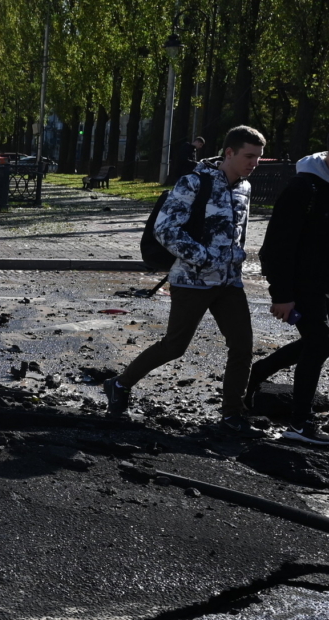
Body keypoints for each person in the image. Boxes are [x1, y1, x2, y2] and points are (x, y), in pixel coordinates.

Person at [104, 126, 265, 435]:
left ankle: (232, 415)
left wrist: (235, 261)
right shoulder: (194, 182)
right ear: (229, 152)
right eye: (248, 156)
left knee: (243, 346)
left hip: (229, 282)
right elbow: (165, 230)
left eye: (258, 157)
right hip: (192, 280)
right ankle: (120, 384)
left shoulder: (245, 188)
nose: (254, 163)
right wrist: (204, 258)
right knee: (175, 346)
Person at [245, 151, 329, 443]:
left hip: (322, 283)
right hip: (300, 283)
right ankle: (299, 424)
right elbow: (277, 246)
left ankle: (258, 373)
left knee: (317, 342)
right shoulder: (303, 188)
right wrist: (281, 295)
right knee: (319, 343)